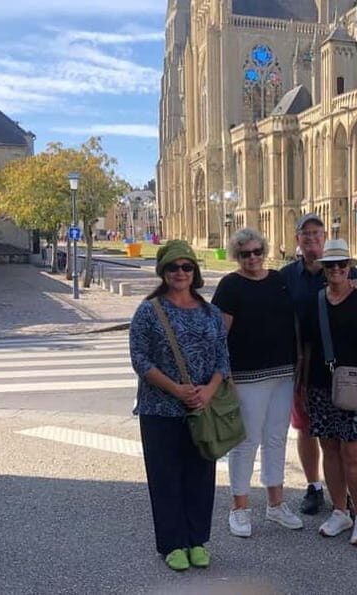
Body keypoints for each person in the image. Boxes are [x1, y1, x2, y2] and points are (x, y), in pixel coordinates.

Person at [129, 240, 230, 571]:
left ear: (195, 272)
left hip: (202, 407)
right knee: (165, 477)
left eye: (187, 267)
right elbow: (140, 360)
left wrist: (208, 392)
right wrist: (176, 389)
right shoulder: (149, 311)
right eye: (173, 267)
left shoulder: (210, 312)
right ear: (163, 272)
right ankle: (172, 544)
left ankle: (197, 540)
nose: (180, 273)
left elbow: (223, 360)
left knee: (200, 476)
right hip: (160, 409)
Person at [211, 228, 303, 538]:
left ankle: (276, 504)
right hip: (247, 377)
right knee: (246, 442)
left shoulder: (278, 280)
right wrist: (227, 378)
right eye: (245, 253)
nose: (253, 258)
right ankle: (240, 508)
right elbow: (218, 337)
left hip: (282, 373)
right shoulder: (230, 286)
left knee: (276, 438)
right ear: (237, 256)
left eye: (257, 251)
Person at [302, 239, 357, 545]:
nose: (336, 269)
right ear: (323, 269)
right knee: (331, 450)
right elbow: (308, 348)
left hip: (356, 387)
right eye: (330, 265)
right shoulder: (317, 301)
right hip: (321, 387)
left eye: (342, 264)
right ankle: (340, 510)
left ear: (350, 266)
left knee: (355, 454)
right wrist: (303, 388)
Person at [279, 214, 357, 516]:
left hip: (342, 365)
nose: (311, 238)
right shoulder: (287, 276)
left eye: (317, 232)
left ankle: (346, 493)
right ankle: (314, 486)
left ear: (324, 236)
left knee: (339, 434)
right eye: (305, 233)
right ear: (297, 239)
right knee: (305, 427)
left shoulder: (344, 269)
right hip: (303, 361)